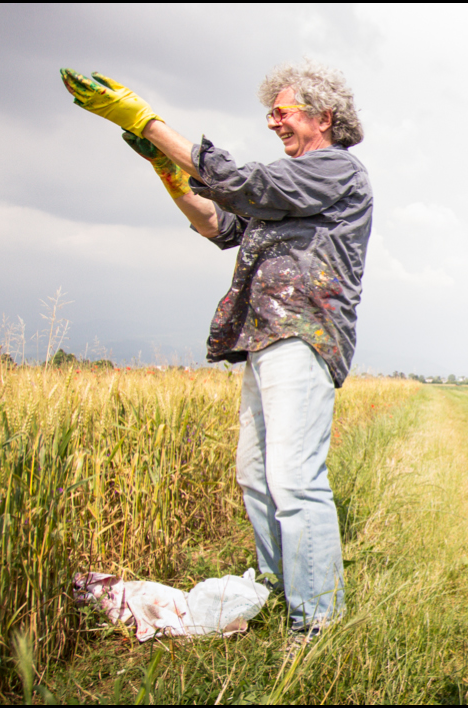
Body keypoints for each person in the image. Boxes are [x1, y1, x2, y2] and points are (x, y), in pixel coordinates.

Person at [61, 61, 372, 638]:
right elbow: (218, 222)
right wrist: (169, 174)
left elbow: (247, 184)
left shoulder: (334, 170)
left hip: (303, 331)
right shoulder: (290, 191)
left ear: (323, 117)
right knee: (255, 474)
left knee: (295, 479)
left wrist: (148, 123)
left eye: (283, 111)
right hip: (262, 337)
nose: (273, 120)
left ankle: (317, 623)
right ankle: (278, 589)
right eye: (271, 113)